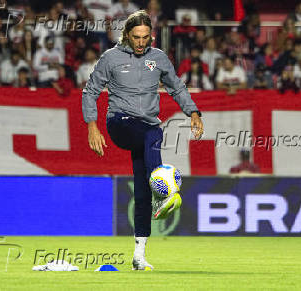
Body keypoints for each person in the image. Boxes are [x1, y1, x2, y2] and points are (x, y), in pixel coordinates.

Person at [82, 10, 204, 271]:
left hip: (145, 130)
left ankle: (139, 254)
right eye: (136, 37)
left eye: (145, 37)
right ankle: (164, 192)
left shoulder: (158, 58)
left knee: (142, 189)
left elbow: (177, 87)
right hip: (120, 124)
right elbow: (90, 90)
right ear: (127, 34)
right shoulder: (111, 58)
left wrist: (193, 111)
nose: (140, 42)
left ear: (152, 36)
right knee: (155, 132)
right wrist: (92, 126)